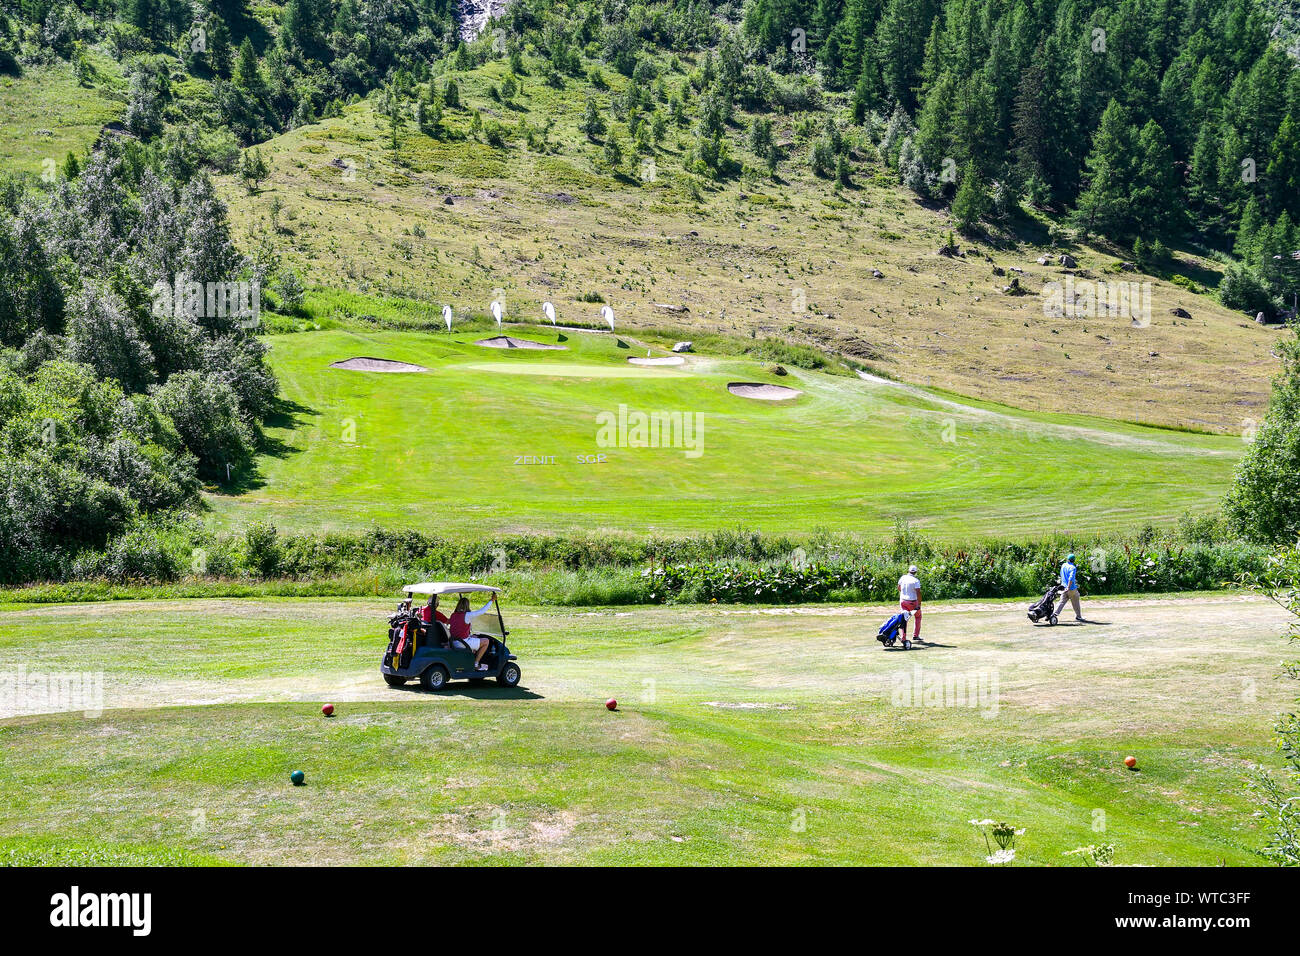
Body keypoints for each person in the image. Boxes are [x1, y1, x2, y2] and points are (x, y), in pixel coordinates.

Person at [448, 594, 498, 670]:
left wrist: (470, 636)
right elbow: (482, 611)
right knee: (486, 641)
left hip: (454, 642)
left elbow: (458, 629)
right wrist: (491, 601)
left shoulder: (453, 615)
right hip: (462, 643)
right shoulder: (467, 615)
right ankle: (476, 664)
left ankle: (472, 659)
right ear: (467, 605)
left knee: (474, 637)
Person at [1054, 553, 1083, 622]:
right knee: (1076, 600)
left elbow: (1061, 574)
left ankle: (1054, 614)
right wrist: (1068, 587)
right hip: (1071, 588)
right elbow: (1071, 578)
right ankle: (1078, 616)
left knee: (1061, 602)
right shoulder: (1073, 567)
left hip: (1063, 587)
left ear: (1068, 559)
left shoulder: (1063, 565)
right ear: (1074, 560)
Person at [898, 564, 922, 642]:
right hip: (912, 602)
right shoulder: (916, 580)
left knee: (904, 619)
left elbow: (899, 588)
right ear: (915, 572)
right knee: (918, 617)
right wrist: (919, 604)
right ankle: (916, 635)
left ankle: (903, 637)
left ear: (908, 571)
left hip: (903, 601)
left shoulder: (903, 577)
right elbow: (918, 592)